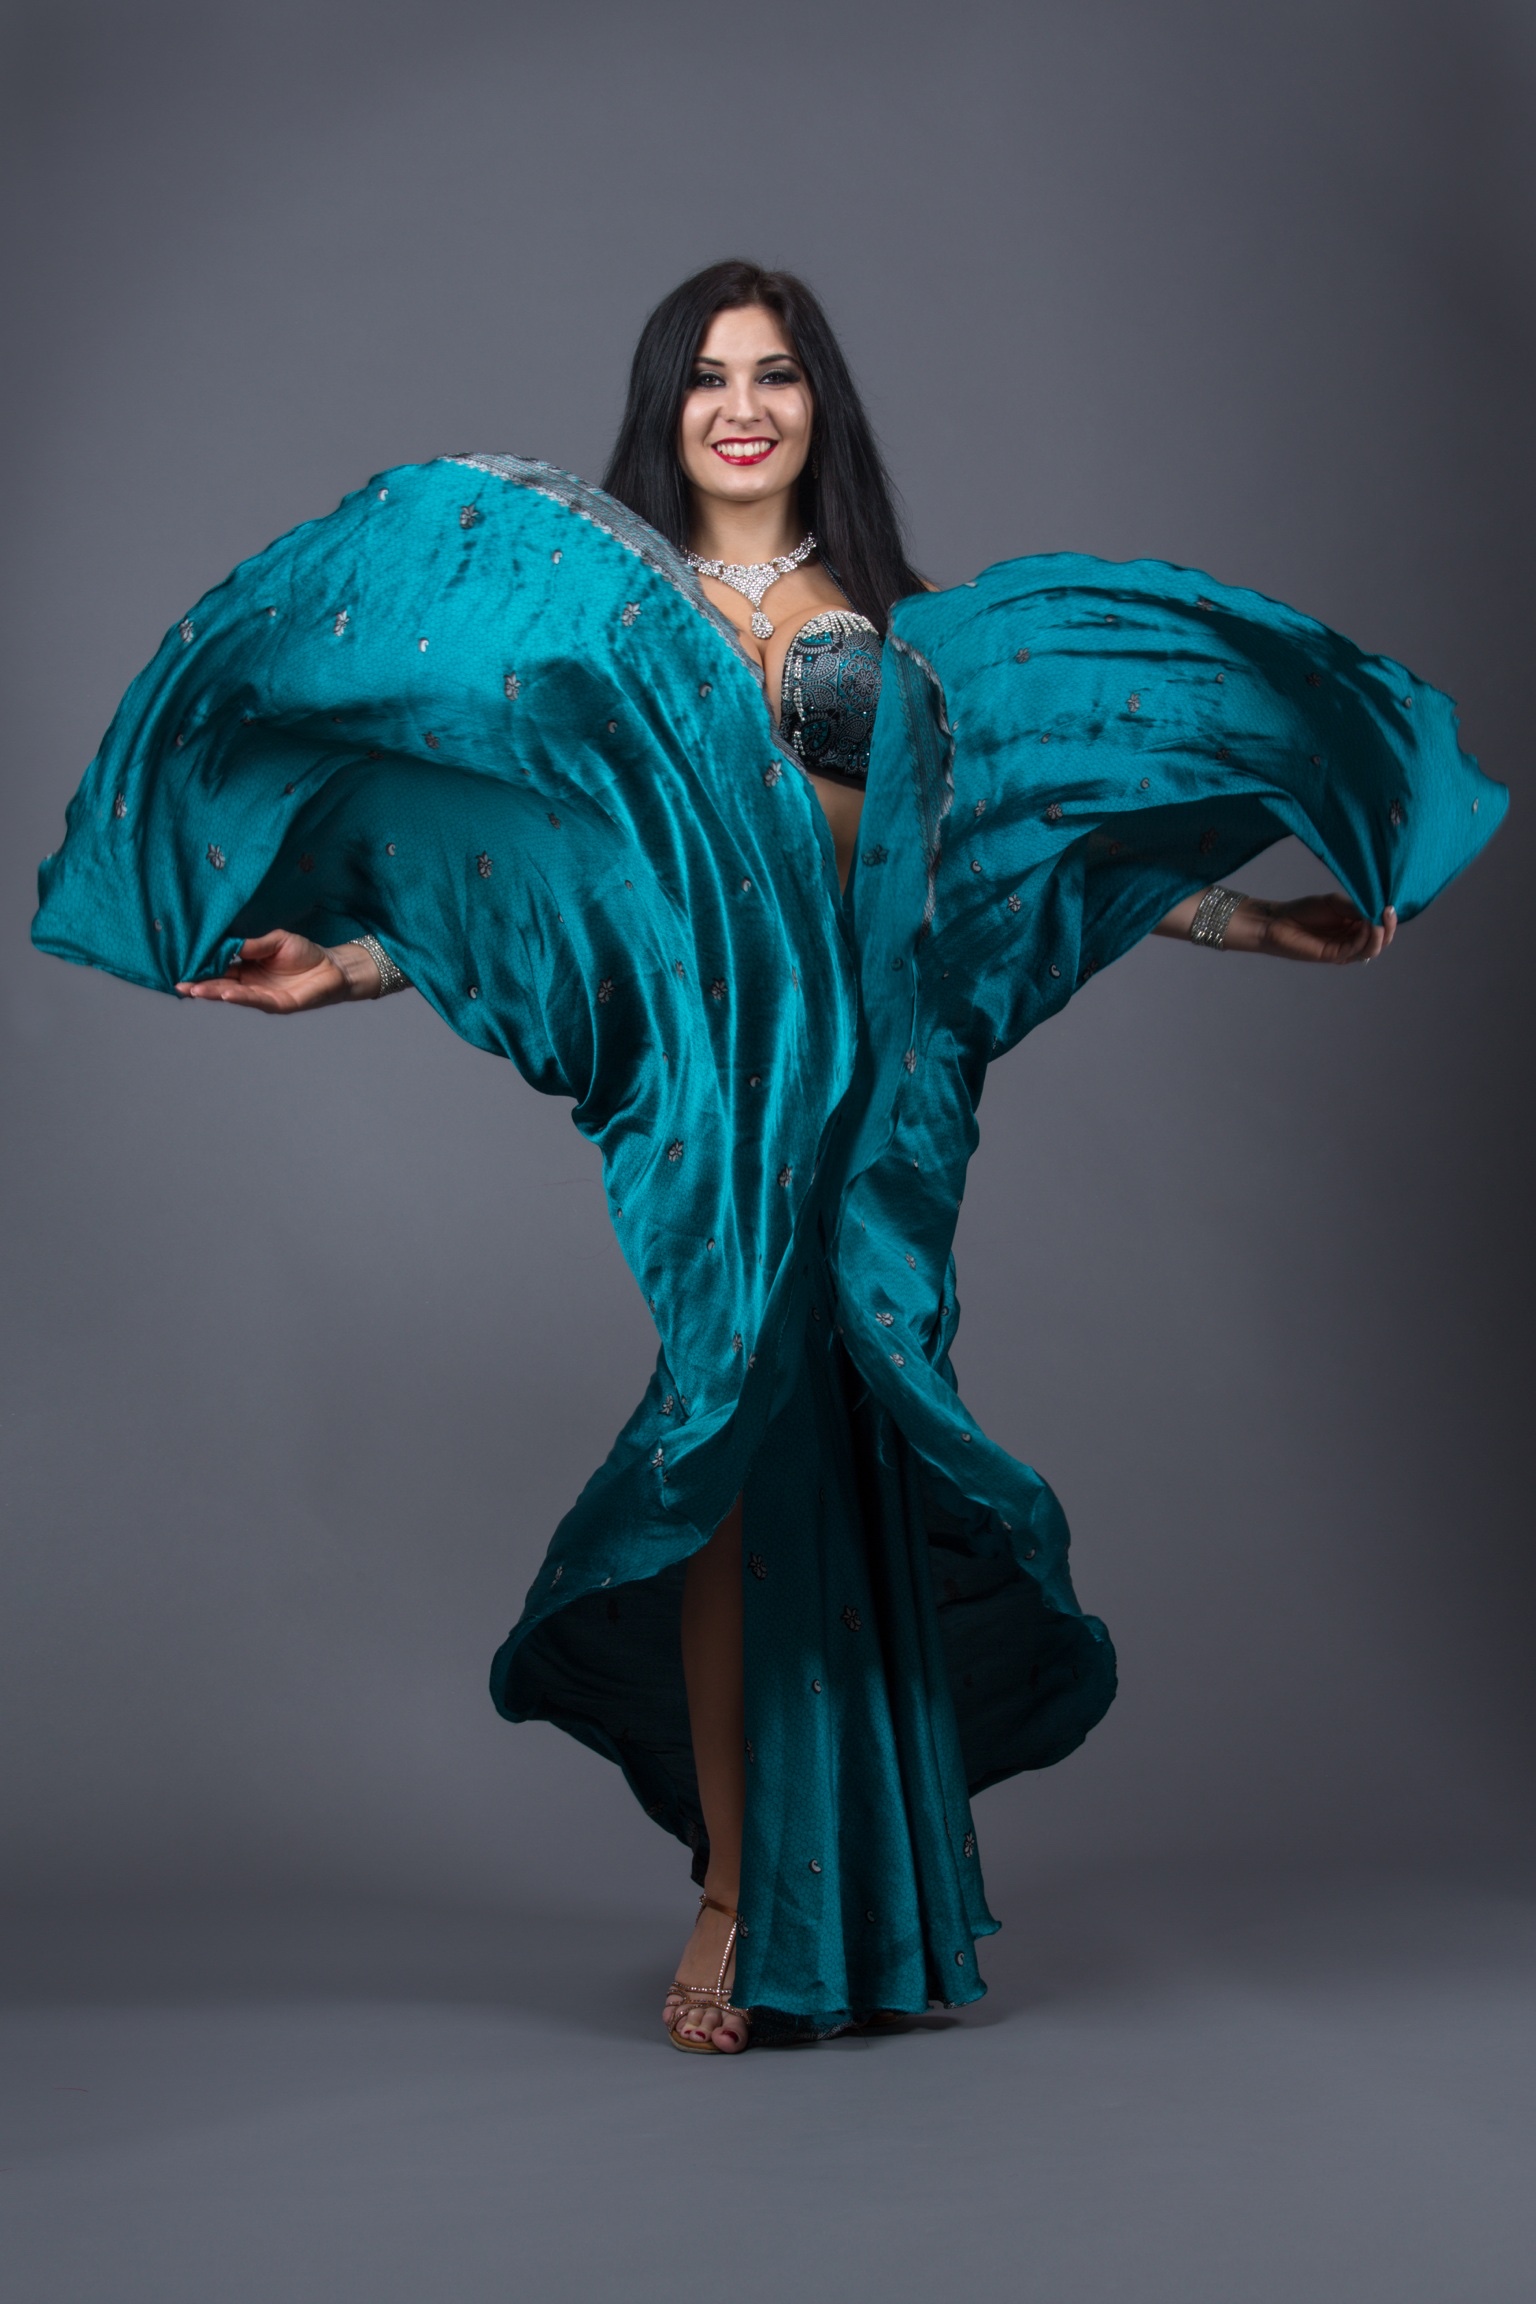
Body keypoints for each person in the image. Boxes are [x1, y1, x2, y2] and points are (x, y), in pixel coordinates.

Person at [32, 262, 1503, 2055]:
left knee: (851, 1459)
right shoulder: (610, 636)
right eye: (710, 377)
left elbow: (1022, 853)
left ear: (821, 407)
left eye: (778, 374)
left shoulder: (895, 638)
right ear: (667, 410)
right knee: (731, 1451)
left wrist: (1265, 924)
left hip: (871, 1120)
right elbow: (537, 878)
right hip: (722, 1120)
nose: (743, 407)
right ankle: (737, 1896)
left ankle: (871, 1913)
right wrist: (333, 967)